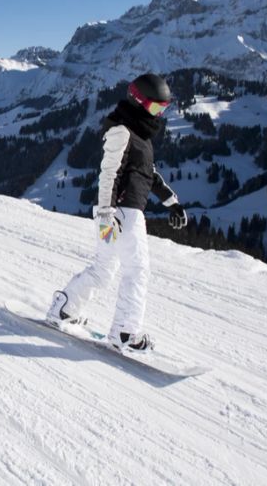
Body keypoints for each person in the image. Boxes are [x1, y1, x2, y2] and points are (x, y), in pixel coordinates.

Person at [46, 73, 188, 351]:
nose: (159, 114)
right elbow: (108, 173)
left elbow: (150, 174)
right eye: (156, 108)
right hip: (123, 213)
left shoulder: (140, 134)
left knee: (104, 269)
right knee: (137, 270)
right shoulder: (122, 131)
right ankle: (125, 332)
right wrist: (106, 213)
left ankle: (63, 308)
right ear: (139, 101)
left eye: (163, 109)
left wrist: (172, 202)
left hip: (116, 213)